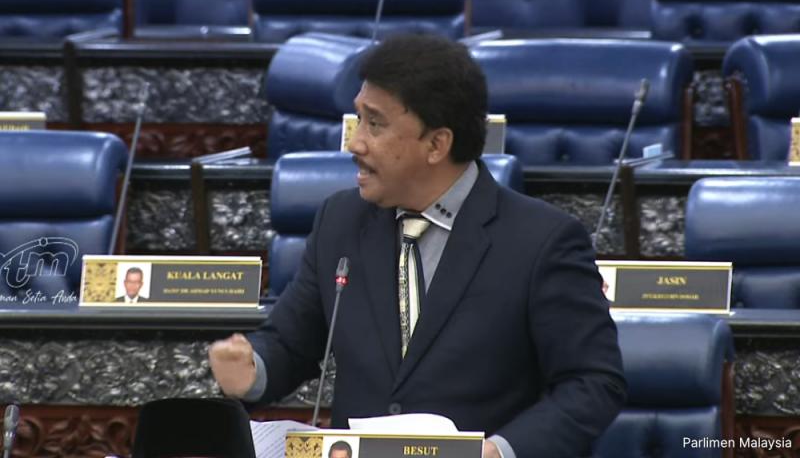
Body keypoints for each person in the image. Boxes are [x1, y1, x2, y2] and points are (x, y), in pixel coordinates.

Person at [209, 34, 626, 457]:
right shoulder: (340, 220)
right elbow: (290, 343)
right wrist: (253, 369)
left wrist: (501, 450)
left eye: (375, 124)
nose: (355, 143)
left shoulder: (542, 241)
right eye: (358, 119)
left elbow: (592, 382)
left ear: (436, 144)